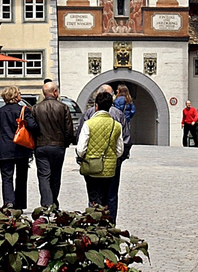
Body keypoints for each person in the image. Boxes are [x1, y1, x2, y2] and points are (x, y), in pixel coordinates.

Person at [77, 84, 131, 221]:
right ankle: (110, 224)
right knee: (111, 196)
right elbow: (124, 143)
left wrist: (81, 158)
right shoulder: (118, 117)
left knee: (94, 197)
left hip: (91, 164)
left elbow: (80, 144)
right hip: (112, 165)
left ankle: (94, 225)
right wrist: (118, 159)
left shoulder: (88, 117)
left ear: (96, 104)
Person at [31, 81, 75, 208]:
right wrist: (66, 143)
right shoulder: (63, 107)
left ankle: (46, 203)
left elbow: (33, 128)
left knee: (44, 175)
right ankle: (54, 202)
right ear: (55, 92)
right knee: (56, 175)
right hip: (58, 145)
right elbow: (69, 129)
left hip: (41, 145)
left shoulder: (36, 108)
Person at [0, 86, 38, 208]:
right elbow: (33, 126)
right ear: (15, 96)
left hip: (4, 148)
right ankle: (20, 203)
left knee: (6, 177)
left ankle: (9, 202)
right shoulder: (23, 110)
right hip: (21, 147)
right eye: (19, 93)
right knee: (21, 177)